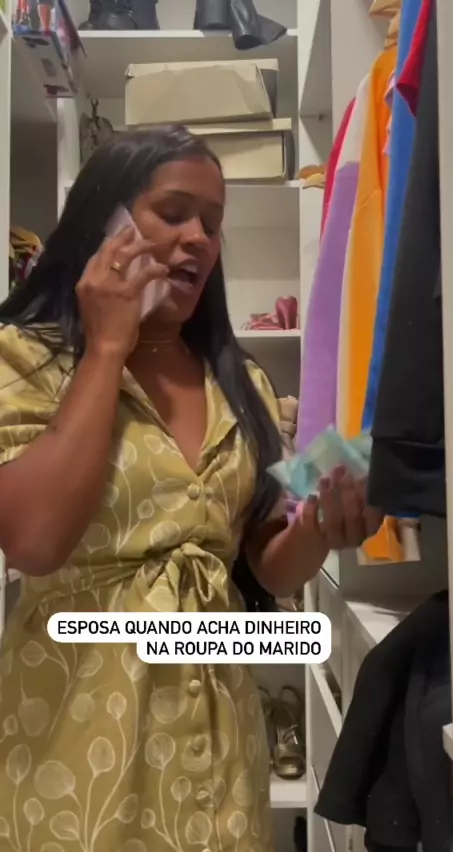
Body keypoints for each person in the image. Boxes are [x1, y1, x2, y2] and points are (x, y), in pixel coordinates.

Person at [0, 126, 382, 852]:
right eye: (173, 213)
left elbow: (264, 564)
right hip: (74, 743)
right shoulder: (23, 359)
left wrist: (317, 529)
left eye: (211, 222)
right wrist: (107, 346)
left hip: (218, 742)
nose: (199, 239)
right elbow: (34, 540)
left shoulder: (241, 381)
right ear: (105, 222)